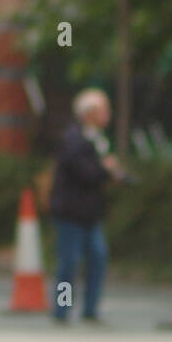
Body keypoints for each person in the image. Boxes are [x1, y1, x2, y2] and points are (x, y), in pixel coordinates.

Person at [49, 89, 127, 323]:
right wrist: (107, 170)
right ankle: (61, 310)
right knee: (69, 262)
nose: (108, 114)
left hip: (91, 213)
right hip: (70, 212)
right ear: (89, 113)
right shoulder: (74, 137)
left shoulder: (98, 138)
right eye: (104, 110)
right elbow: (84, 171)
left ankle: (90, 309)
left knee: (97, 257)